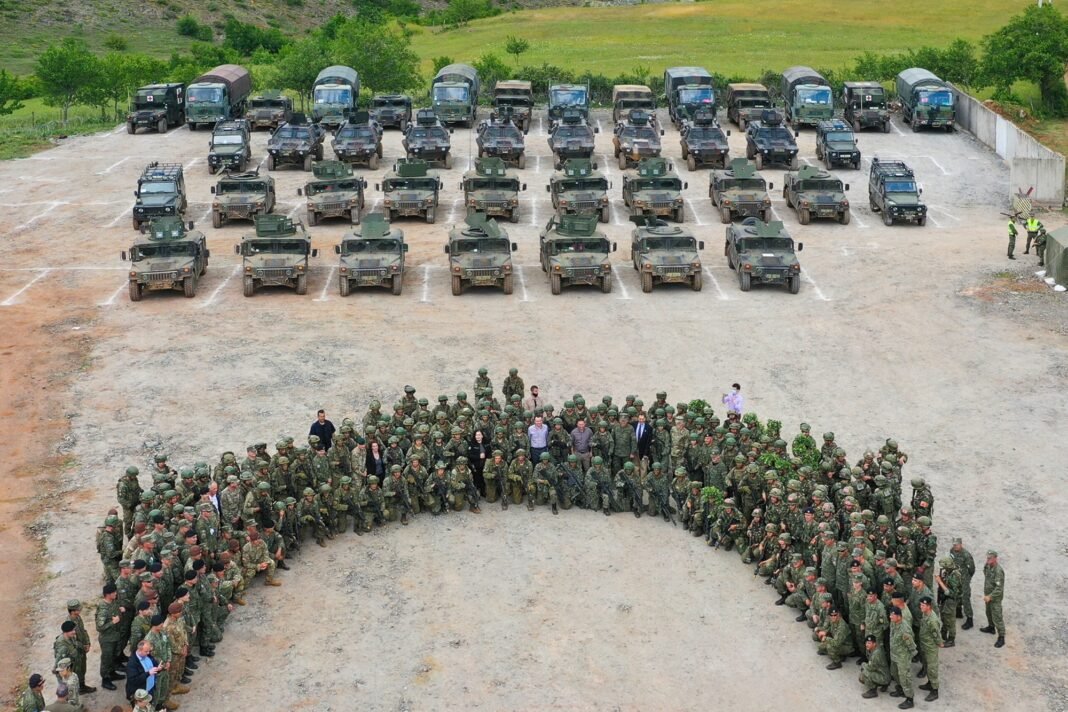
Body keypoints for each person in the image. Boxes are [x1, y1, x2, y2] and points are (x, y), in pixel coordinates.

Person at [95, 584, 125, 690]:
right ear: (108, 594)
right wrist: (113, 622)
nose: (116, 594)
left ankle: (112, 673)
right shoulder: (103, 608)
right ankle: (105, 679)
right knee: (106, 659)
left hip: (115, 636)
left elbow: (116, 614)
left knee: (113, 657)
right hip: (107, 639)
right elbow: (99, 627)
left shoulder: (113, 602)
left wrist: (121, 611)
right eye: (114, 592)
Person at [917, 596, 942, 702]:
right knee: (926, 665)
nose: (921, 607)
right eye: (921, 605)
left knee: (932, 668)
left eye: (923, 605)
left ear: (929, 606)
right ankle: (929, 683)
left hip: (930, 647)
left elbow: (936, 634)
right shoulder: (925, 614)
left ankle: (935, 690)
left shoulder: (933, 620)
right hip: (924, 644)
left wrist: (939, 643)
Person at [981, 550, 1006, 647]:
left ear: (995, 558)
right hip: (988, 596)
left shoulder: (998, 571)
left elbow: (999, 588)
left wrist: (990, 596)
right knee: (988, 612)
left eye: (990, 558)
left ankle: (1001, 637)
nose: (988, 559)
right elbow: (985, 573)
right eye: (987, 557)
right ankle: (991, 627)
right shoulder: (987, 566)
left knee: (997, 617)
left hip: (995, 598)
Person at [858, 635, 891, 699]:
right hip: (883, 673)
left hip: (884, 677)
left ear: (874, 644)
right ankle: (883, 684)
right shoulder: (875, 649)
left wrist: (863, 665)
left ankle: (873, 691)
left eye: (869, 643)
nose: (867, 645)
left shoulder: (876, 654)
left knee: (864, 674)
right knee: (865, 670)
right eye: (866, 643)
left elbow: (870, 668)